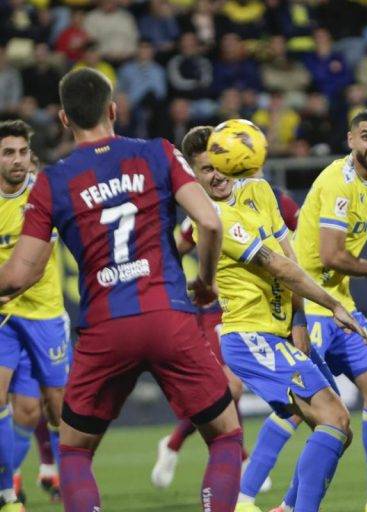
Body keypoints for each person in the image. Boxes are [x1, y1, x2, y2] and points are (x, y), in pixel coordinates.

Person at [0, 68, 242, 511]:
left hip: (105, 327)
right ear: (113, 110)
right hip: (169, 316)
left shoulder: (53, 182)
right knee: (226, 435)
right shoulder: (158, 153)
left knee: (73, 451)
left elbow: (19, 275)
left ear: (64, 119)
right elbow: (209, 221)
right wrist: (205, 283)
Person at [175, 125, 366, 512]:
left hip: (282, 330)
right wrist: (333, 304)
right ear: (192, 179)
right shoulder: (212, 221)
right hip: (250, 337)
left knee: (339, 429)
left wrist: (298, 320)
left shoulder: (260, 191)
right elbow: (278, 266)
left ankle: (286, 508)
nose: (216, 175)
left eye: (220, 164)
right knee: (332, 419)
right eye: (205, 170)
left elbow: (290, 254)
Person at [270, 109, 367, 512]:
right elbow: (330, 254)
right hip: (313, 304)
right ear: (351, 140)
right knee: (319, 417)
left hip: (343, 306)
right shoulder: (338, 183)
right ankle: (264, 501)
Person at [151, 142, 300, 492]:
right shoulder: (205, 211)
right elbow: (175, 248)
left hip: (264, 308)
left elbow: (298, 239)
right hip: (217, 308)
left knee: (239, 391)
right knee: (229, 387)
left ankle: (184, 445)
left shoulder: (274, 197)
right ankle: (241, 461)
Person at [0, 120, 70, 512]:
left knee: (47, 409)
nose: (18, 160)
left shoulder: (42, 198)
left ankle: (72, 485)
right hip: (4, 317)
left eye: (22, 152)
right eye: (8, 152)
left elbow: (34, 270)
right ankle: (9, 497)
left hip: (44, 315)